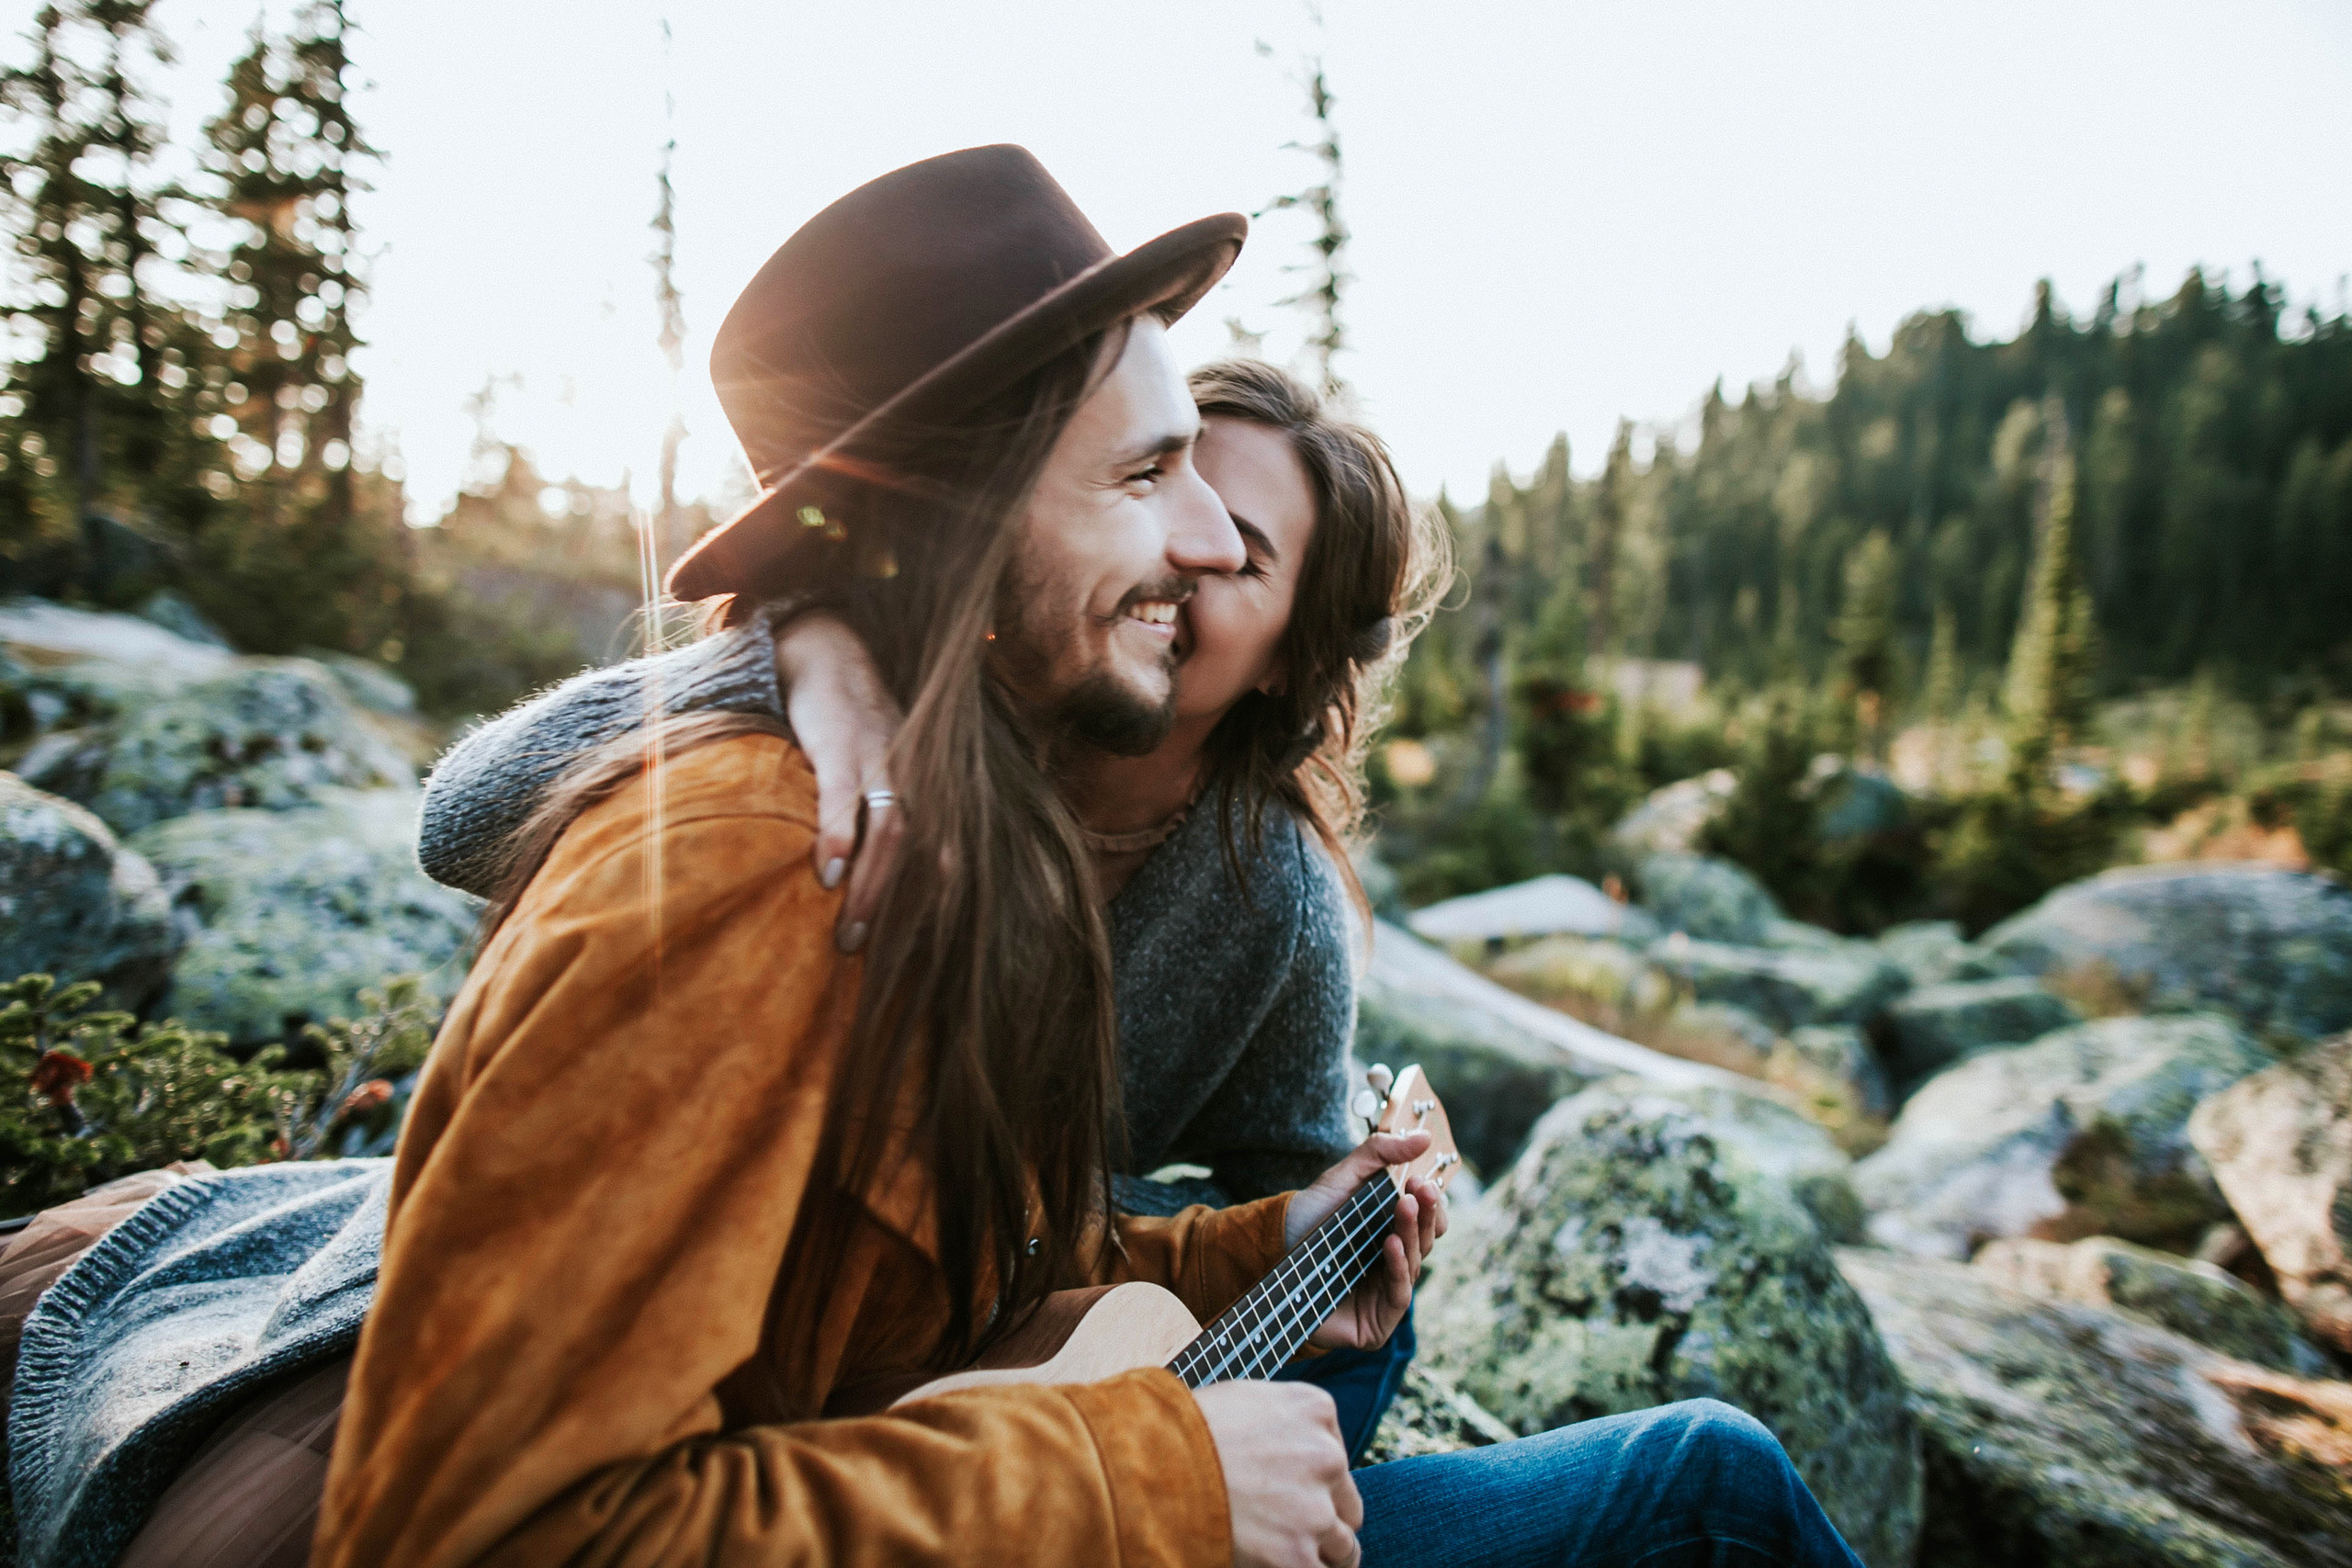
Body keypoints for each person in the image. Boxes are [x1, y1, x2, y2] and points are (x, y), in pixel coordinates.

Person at [4, 147, 1865, 1568]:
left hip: (918, 1439)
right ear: (958, 522)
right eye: (1143, 474)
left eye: (1217, 501)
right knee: (1700, 1491)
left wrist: (1260, 1241)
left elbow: (940, 1289)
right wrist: (1142, 1477)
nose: (1203, 536)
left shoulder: (995, 850)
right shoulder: (751, 871)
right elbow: (475, 1529)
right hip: (958, 1480)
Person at [409, 351, 1439, 1461]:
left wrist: (1025, 1218)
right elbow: (463, 823)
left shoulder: (1274, 901)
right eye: (1152, 485)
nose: (1180, 547)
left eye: (1239, 551)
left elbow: (1282, 1198)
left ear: (1292, 659)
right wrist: (790, 653)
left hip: (946, 1361)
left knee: (1374, 1344)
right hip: (640, 1323)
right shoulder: (902, 710)